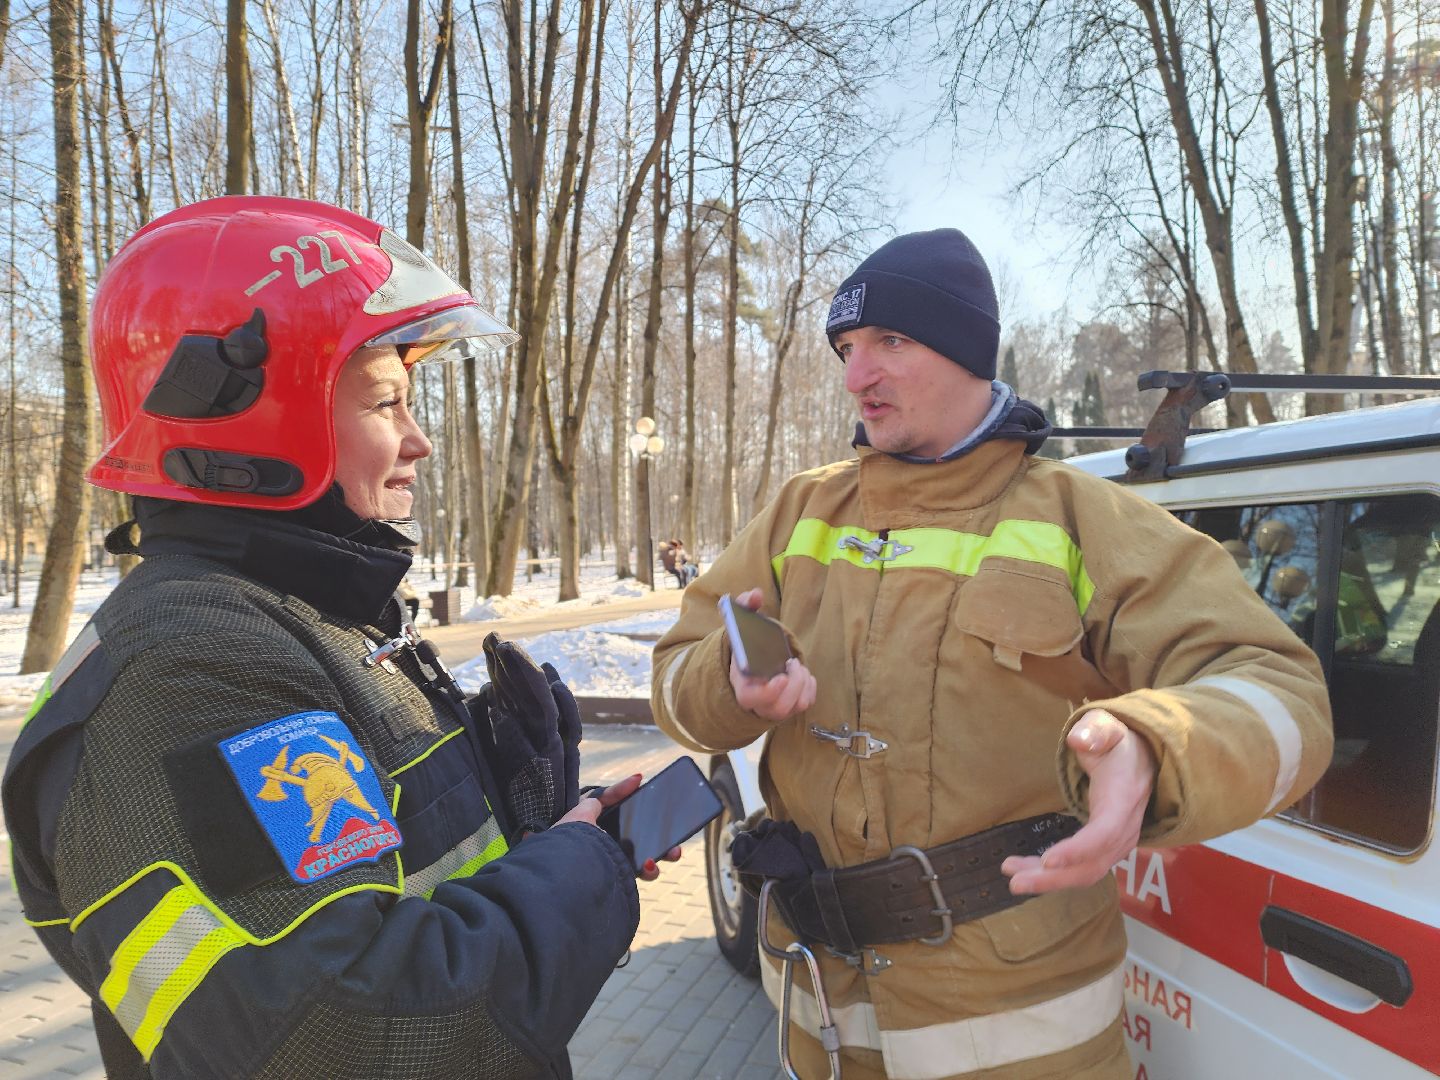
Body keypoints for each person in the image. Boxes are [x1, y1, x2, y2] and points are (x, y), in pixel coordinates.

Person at [2, 197, 670, 1079]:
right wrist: (578, 877)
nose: (418, 441)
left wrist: (533, 827)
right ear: (259, 420)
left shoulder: (301, 617)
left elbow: (383, 889)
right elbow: (355, 1030)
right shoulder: (194, 668)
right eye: (387, 402)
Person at [650, 228, 1334, 1079]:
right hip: (815, 1009)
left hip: (1017, 1029)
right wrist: (727, 681)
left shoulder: (1079, 516)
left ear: (966, 349)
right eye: (847, 348)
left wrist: (1156, 743)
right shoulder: (800, 513)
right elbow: (675, 675)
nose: (857, 376)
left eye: (890, 341)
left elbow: (1282, 687)